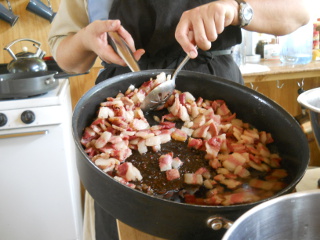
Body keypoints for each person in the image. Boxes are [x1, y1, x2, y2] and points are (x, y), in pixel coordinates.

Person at [48, 0, 310, 239]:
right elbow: (67, 58)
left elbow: (298, 13)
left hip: (216, 85)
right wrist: (84, 38)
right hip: (123, 91)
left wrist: (235, 9)